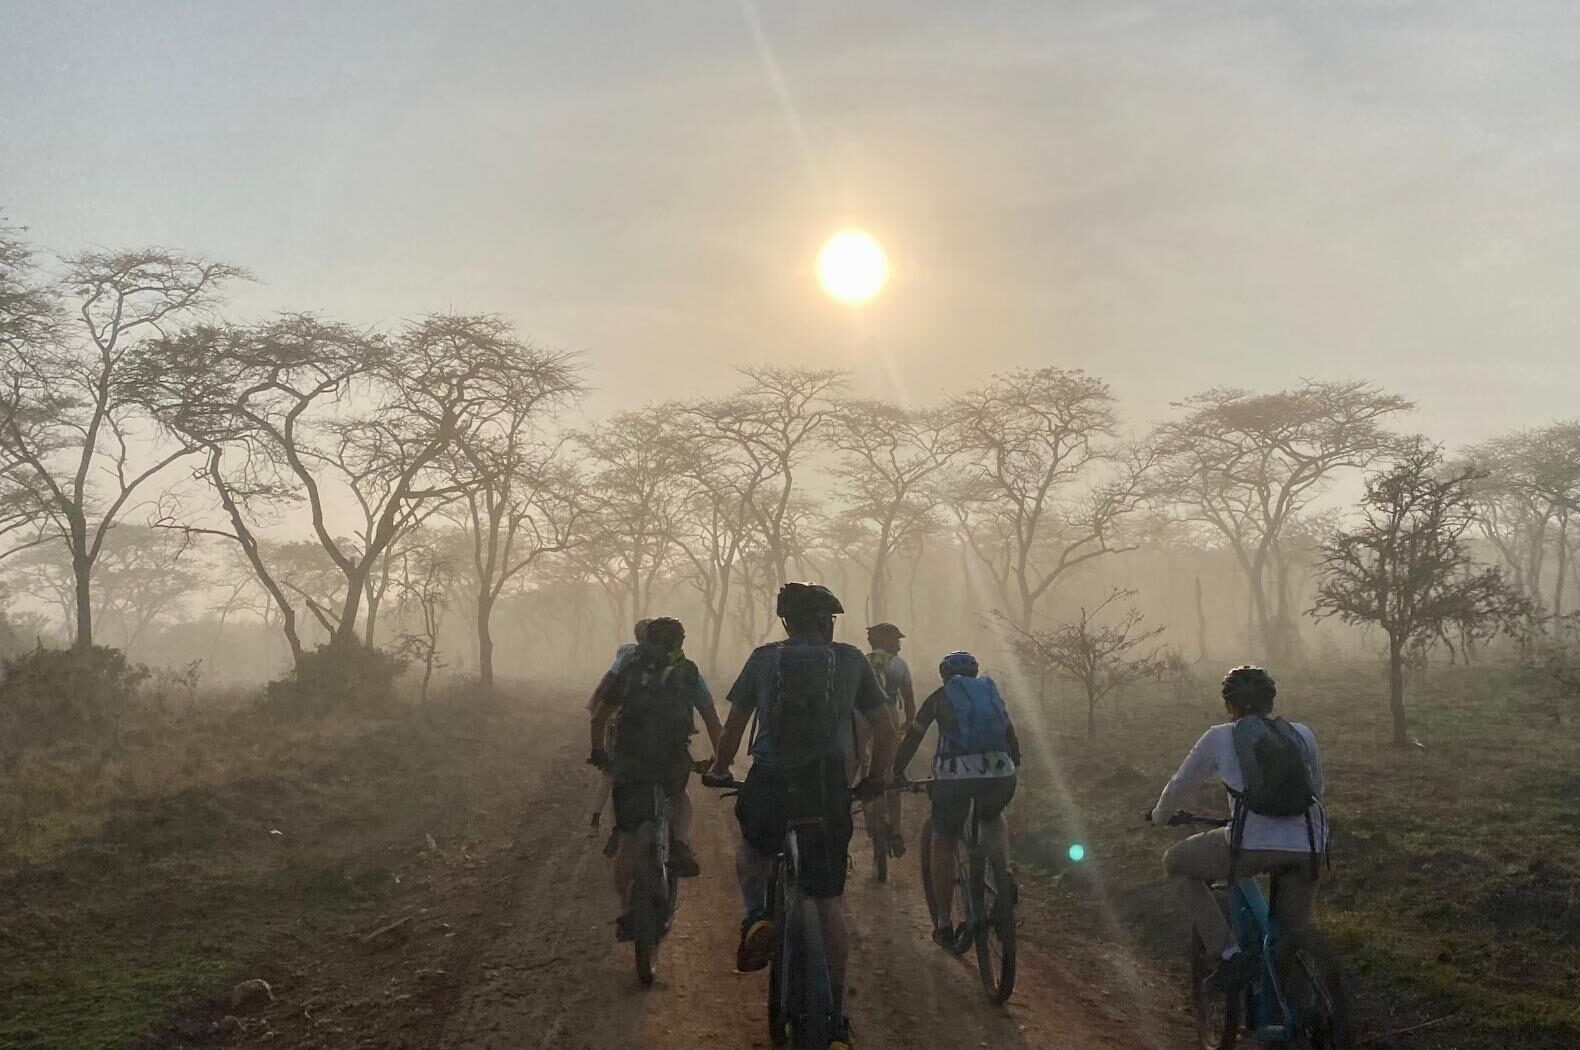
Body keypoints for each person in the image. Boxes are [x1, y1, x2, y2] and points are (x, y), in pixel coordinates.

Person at [709, 583, 894, 1050]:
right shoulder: (852, 660)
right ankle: (834, 1022)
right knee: (828, 898)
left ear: (786, 622)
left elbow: (734, 724)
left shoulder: (763, 658)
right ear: (829, 621)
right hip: (826, 785)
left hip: (771, 779)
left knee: (752, 849)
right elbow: (886, 726)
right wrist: (875, 777)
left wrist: (720, 766)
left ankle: (756, 917)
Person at [1146, 665, 1328, 991]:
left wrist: (1160, 815)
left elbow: (1180, 785)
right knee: (1289, 940)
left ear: (1230, 705)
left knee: (1175, 863)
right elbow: (1318, 789)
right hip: (1310, 845)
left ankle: (1229, 954)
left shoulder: (1220, 736)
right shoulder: (1303, 734)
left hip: (1249, 845)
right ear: (1271, 702)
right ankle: (1302, 1019)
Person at [589, 617, 723, 941]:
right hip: (671, 760)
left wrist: (598, 752)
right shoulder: (689, 671)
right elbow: (712, 720)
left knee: (629, 840)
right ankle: (680, 845)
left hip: (631, 762)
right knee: (680, 798)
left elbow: (598, 715)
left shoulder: (630, 668)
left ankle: (626, 912)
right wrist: (721, 761)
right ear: (681, 642)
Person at [891, 650, 1020, 947]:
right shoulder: (991, 694)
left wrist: (897, 771)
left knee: (943, 839)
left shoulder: (938, 697)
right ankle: (1005, 873)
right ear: (975, 674)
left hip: (955, 779)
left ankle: (944, 924)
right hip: (1001, 774)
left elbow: (913, 737)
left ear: (944, 676)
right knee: (993, 814)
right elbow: (1010, 737)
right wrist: (1011, 764)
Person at [587, 619, 653, 831]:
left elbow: (604, 693)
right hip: (650, 729)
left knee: (611, 771)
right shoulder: (670, 660)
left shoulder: (626, 656)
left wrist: (597, 746)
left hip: (619, 723)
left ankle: (597, 819)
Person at [862, 623, 916, 857]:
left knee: (863, 764)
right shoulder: (899, 665)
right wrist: (910, 722)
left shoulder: (862, 661)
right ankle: (896, 832)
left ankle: (867, 813)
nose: (899, 644)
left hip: (862, 716)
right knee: (892, 772)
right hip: (889, 713)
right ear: (885, 641)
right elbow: (909, 699)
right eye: (896, 640)